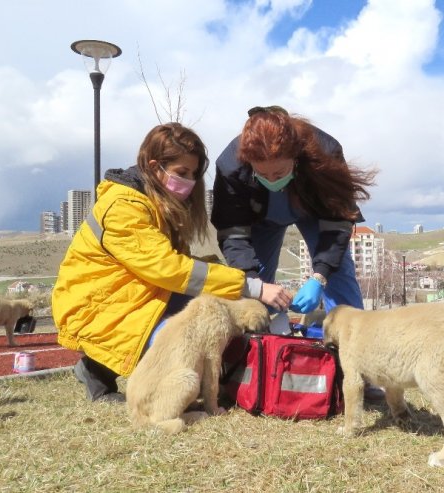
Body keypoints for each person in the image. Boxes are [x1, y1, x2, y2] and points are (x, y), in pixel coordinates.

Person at [52, 122, 292, 402]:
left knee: (212, 310)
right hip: (96, 307)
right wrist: (250, 286)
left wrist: (226, 280)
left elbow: (178, 268)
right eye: (181, 173)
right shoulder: (123, 208)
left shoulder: (157, 204)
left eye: (193, 174)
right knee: (187, 339)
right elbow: (166, 268)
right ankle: (98, 372)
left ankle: (97, 368)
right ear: (155, 167)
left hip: (129, 298)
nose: (189, 181)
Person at [211, 106, 384, 400]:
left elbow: (337, 223)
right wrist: (256, 283)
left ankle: (359, 371)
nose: (271, 178)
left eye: (279, 171)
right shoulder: (230, 166)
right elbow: (233, 233)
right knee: (255, 288)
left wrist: (320, 275)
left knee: (338, 271)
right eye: (261, 173)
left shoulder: (324, 153)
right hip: (260, 217)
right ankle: (255, 364)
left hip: (313, 211)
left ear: (296, 156)